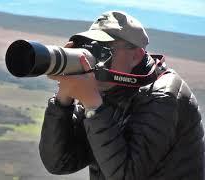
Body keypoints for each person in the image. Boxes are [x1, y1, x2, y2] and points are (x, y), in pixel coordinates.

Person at [39, 11, 204, 180]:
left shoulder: (164, 96)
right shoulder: (105, 89)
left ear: (136, 56)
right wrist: (63, 99)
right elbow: (59, 162)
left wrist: (93, 105)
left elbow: (126, 175)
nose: (95, 58)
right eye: (91, 48)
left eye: (104, 49)